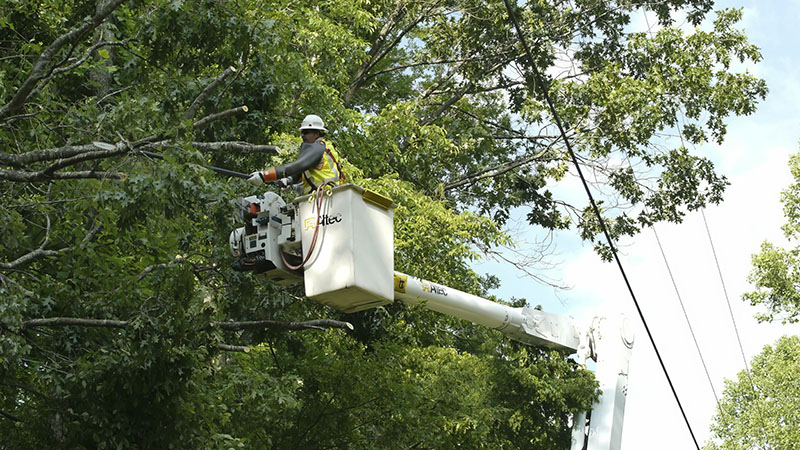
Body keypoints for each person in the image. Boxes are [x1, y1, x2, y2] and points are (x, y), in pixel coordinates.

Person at [247, 114, 344, 193]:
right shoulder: (325, 148)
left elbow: (299, 165)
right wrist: (290, 181)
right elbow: (306, 172)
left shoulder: (318, 147)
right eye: (302, 132)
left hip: (325, 196)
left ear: (317, 134)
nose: (302, 135)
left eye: (306, 132)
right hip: (327, 195)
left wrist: (264, 175)